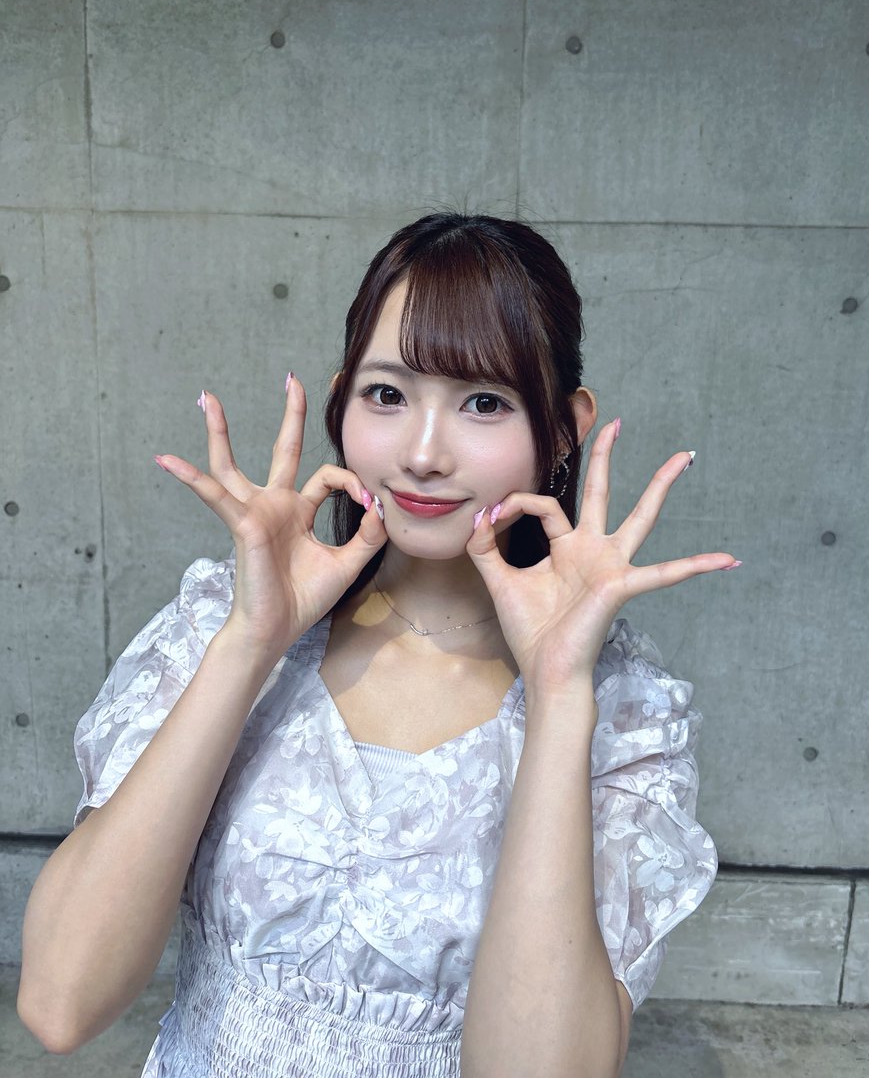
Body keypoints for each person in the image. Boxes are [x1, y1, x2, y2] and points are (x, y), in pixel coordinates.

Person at [18, 211, 733, 1077]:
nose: (423, 455)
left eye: (484, 403)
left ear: (562, 428)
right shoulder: (227, 621)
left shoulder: (620, 712)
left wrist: (556, 696)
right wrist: (250, 641)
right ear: (341, 399)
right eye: (387, 395)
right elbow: (60, 1004)